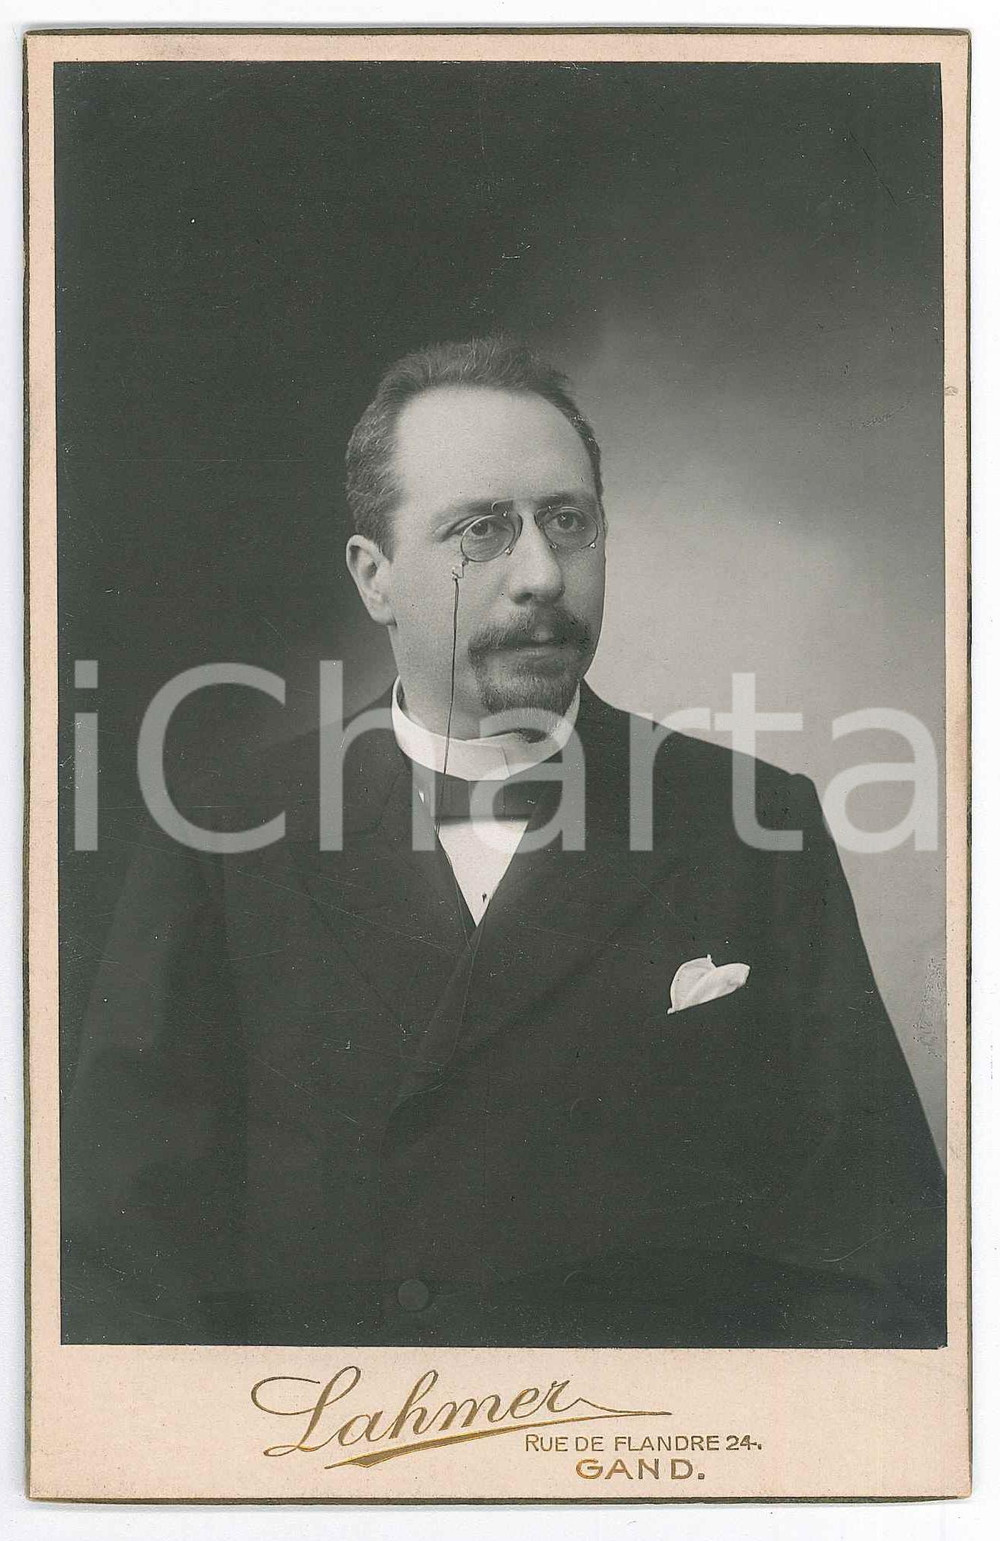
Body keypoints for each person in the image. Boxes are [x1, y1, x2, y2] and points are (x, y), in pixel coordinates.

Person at [62, 337, 946, 1348]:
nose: (539, 574)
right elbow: (115, 1271)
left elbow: (881, 1264)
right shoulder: (221, 833)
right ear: (375, 576)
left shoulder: (758, 824)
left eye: (566, 521)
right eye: (481, 530)